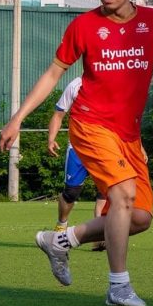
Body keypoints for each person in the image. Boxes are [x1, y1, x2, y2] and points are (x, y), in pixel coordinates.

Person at [0, 0, 153, 306]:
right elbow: (52, 75)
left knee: (140, 217)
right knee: (122, 195)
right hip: (90, 124)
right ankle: (118, 286)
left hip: (128, 135)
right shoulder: (84, 26)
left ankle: (60, 240)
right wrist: (18, 118)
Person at [46, 76, 107, 251]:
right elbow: (58, 114)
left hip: (105, 147)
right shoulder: (75, 85)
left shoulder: (111, 82)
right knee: (71, 192)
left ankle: (99, 237)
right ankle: (61, 225)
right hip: (78, 148)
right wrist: (51, 138)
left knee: (106, 191)